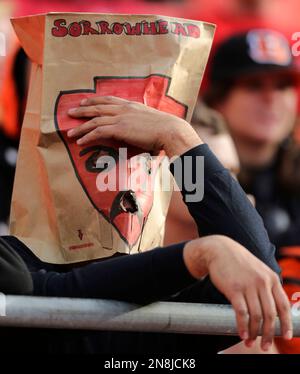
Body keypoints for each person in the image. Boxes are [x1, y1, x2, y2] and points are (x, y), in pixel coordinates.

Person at [1, 95, 292, 353]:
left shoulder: (158, 293)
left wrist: (182, 142)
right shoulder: (24, 268)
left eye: (229, 175)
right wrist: (197, 254)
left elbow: (253, 275)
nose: (234, 194)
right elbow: (40, 300)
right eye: (105, 162)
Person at [203, 28, 300, 249]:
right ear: (218, 99)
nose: (271, 98)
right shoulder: (188, 172)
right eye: (254, 84)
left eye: (283, 85)